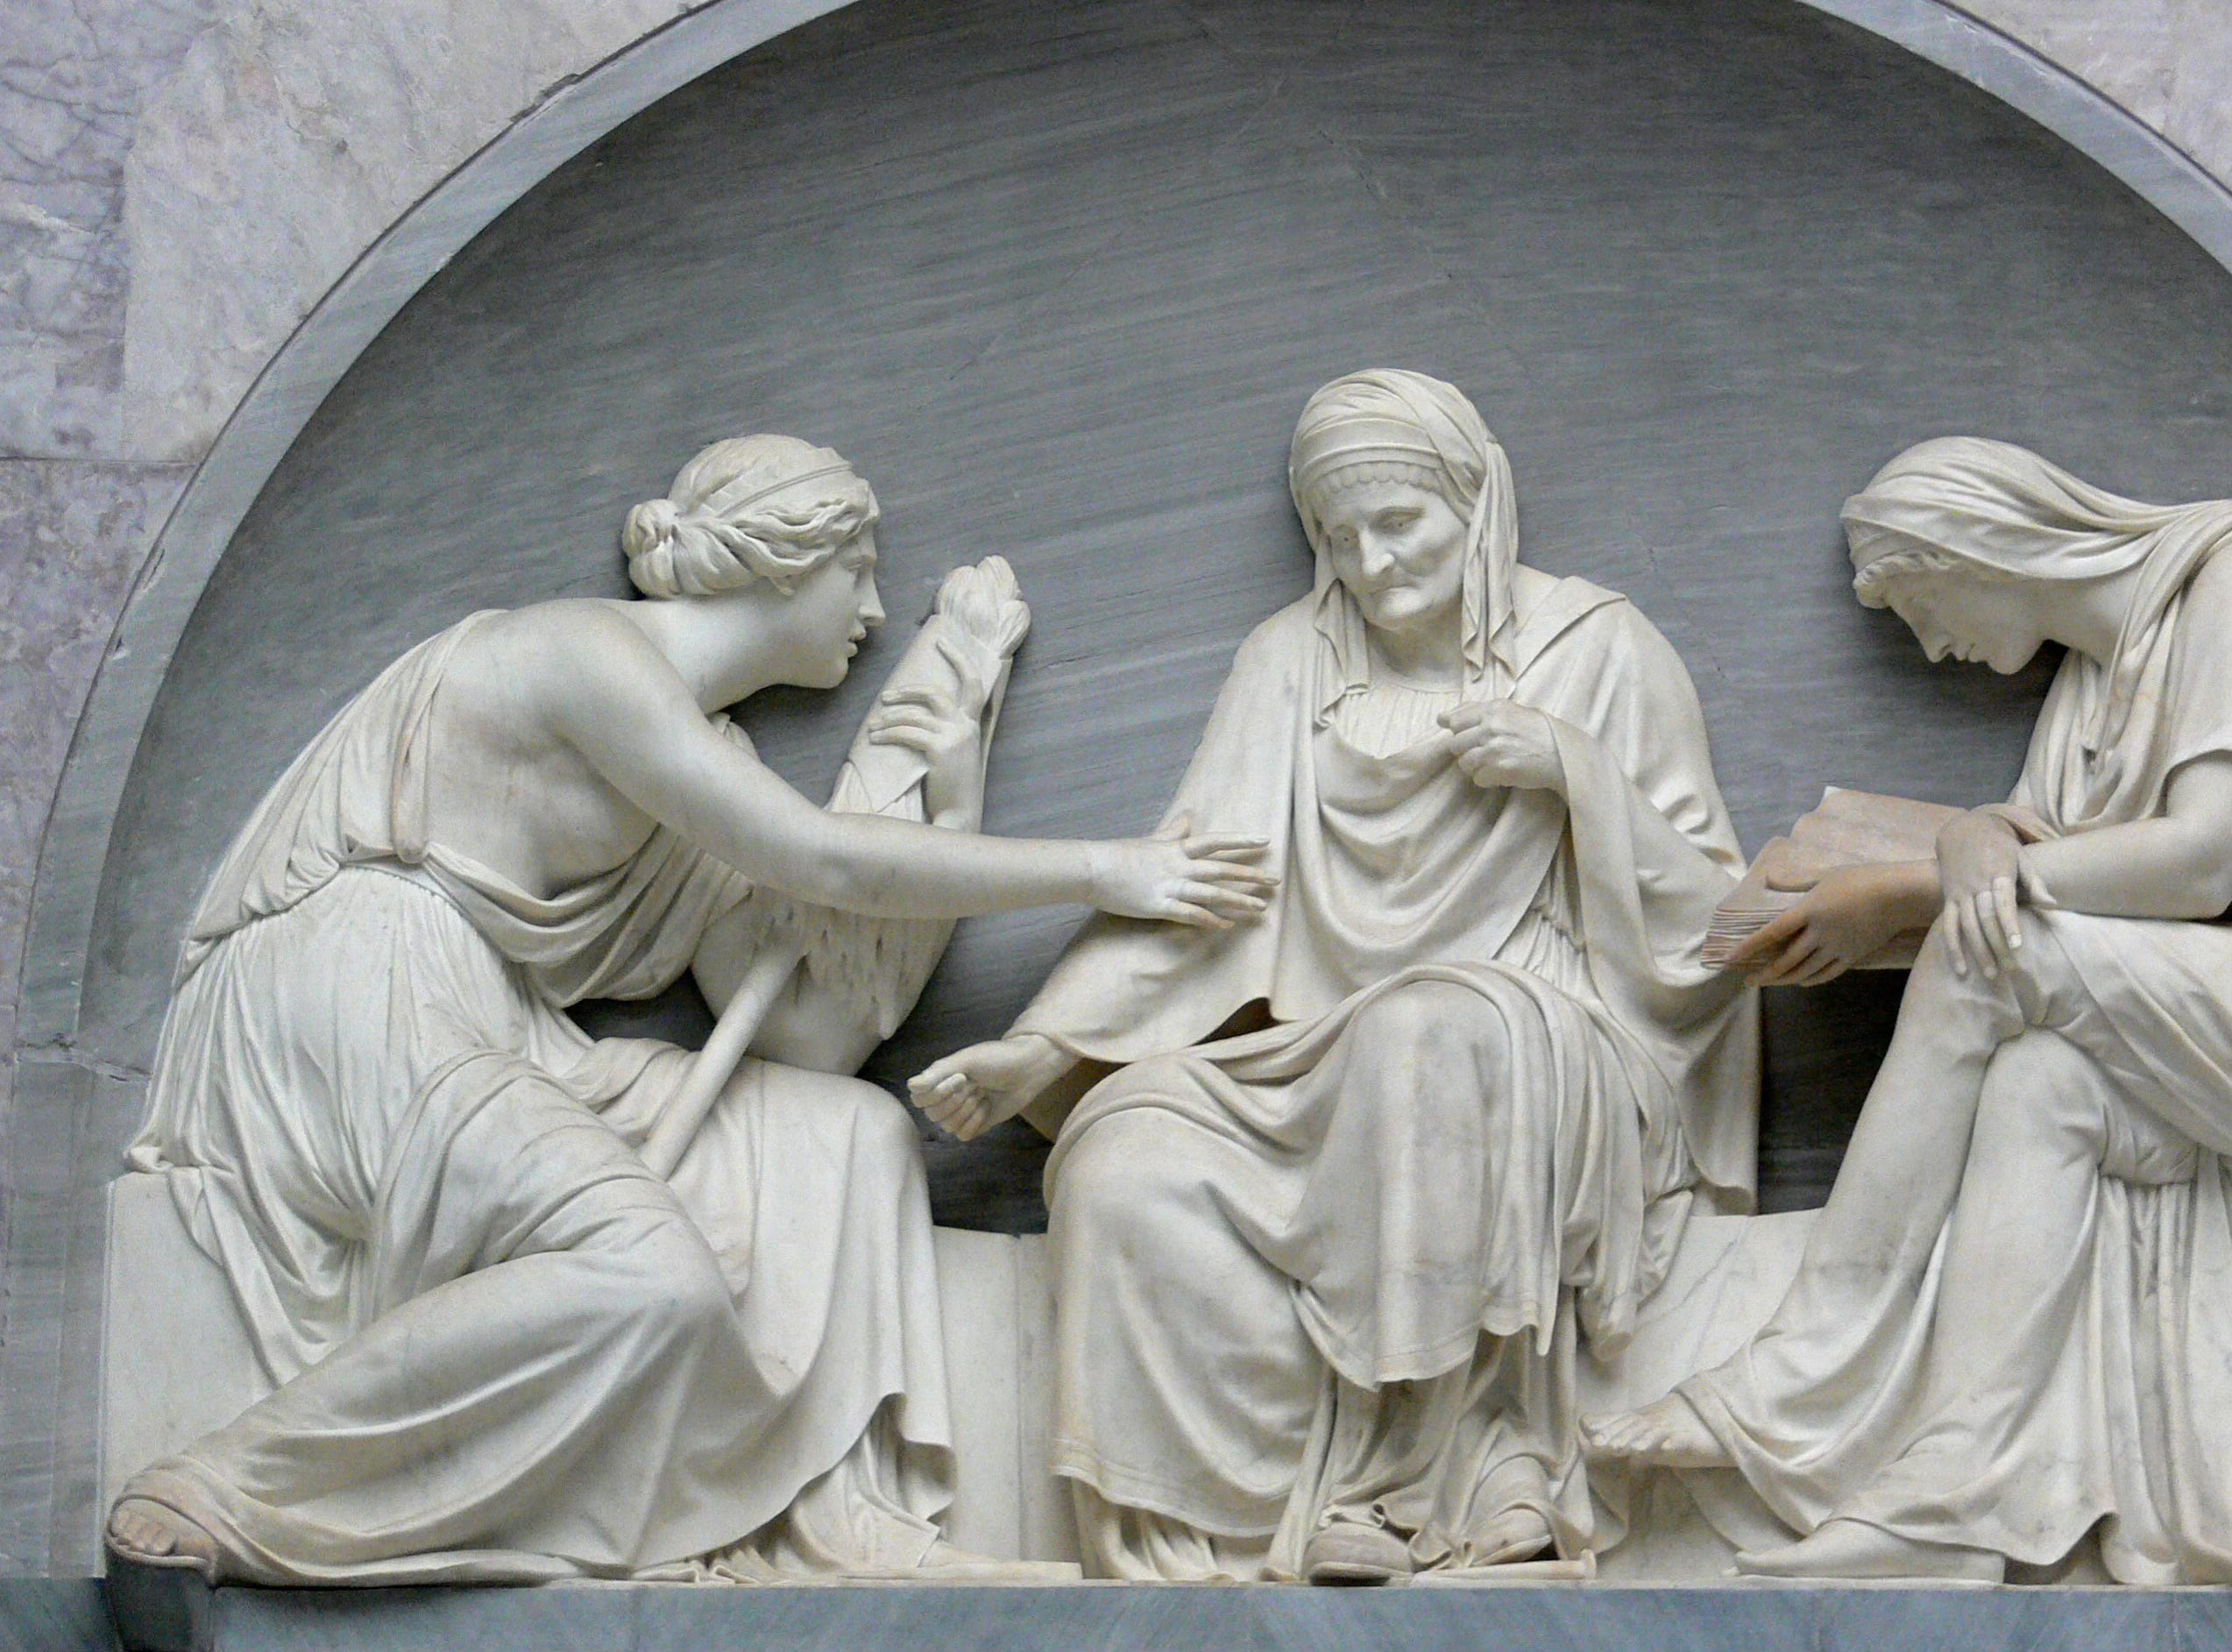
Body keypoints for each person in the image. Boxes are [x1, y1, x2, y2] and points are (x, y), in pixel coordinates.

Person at [104, 435, 1272, 1585]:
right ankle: (228, 1482)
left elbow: (810, 1035)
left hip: (497, 1031)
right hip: (359, 1000)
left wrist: (951, 802)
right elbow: (824, 858)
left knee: (846, 1131)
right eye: (857, 571)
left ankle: (838, 1521)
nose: (871, 610)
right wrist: (1100, 870)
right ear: (779, 561)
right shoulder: (584, 656)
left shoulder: (703, 765)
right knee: (651, 1273)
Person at [1585, 437, 2232, 1585]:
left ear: (1980, 548)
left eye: (1917, 603)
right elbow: (2046, 871)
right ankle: (1961, 1500)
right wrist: (1966, 841)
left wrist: (1914, 889)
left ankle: (1786, 1382)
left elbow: (2201, 864)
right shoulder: (2089, 692)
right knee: (2043, 1083)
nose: (1932, 646)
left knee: (1990, 957)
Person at [910, 372, 1759, 1582]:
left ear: (1478, 503)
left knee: (1426, 1031)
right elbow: (1198, 885)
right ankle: (1194, 1560)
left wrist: (1576, 773)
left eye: (1401, 522)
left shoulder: (1596, 652)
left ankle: (1431, 1483)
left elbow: (1717, 924)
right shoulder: (1289, 663)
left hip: (1545, 1043)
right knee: (1119, 1152)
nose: (1373, 560)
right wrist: (1038, 1052)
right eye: (1340, 535)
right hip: (1313, 1058)